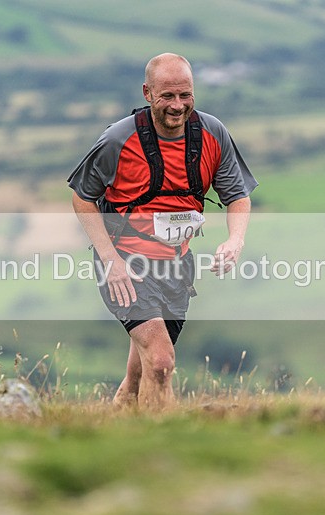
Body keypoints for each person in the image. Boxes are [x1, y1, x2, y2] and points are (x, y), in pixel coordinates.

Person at [68, 53, 257, 409]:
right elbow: (82, 199)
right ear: (147, 93)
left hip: (176, 266)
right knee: (161, 361)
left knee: (141, 374)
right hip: (125, 265)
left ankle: (118, 427)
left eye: (185, 95)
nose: (177, 105)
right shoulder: (118, 140)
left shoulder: (212, 133)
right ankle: (163, 449)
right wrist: (110, 260)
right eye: (167, 96)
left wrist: (235, 239)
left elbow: (238, 197)